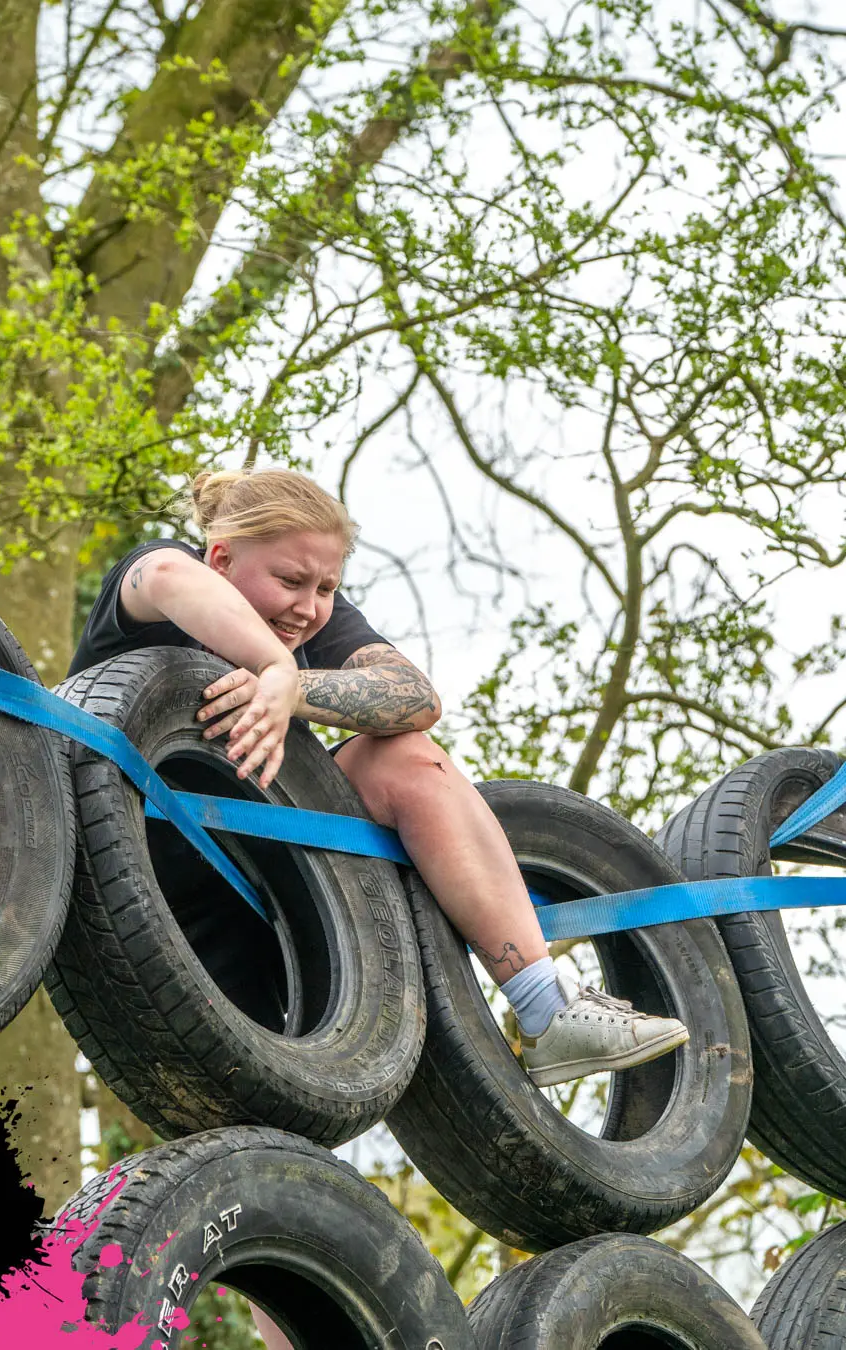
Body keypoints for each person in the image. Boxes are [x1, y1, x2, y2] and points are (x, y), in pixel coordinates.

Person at [70, 468, 688, 1349]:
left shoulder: (312, 627)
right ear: (223, 556)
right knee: (265, 1184)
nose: (310, 606)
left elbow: (411, 694)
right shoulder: (160, 580)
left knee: (407, 757)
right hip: (162, 929)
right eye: (291, 580)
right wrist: (272, 665)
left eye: (327, 586)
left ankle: (546, 1006)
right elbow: (168, 579)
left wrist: (296, 688)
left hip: (292, 917)